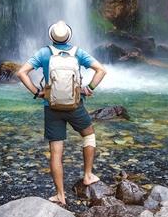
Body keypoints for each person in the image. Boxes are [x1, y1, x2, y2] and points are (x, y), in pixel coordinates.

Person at [16, 20, 108, 207]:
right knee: (89, 135)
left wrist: (36, 91)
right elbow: (101, 70)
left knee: (56, 152)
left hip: (51, 107)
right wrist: (87, 88)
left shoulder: (43, 53)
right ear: (69, 36)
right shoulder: (78, 53)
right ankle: (88, 175)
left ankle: (60, 195)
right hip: (75, 106)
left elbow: (21, 73)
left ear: (52, 37)